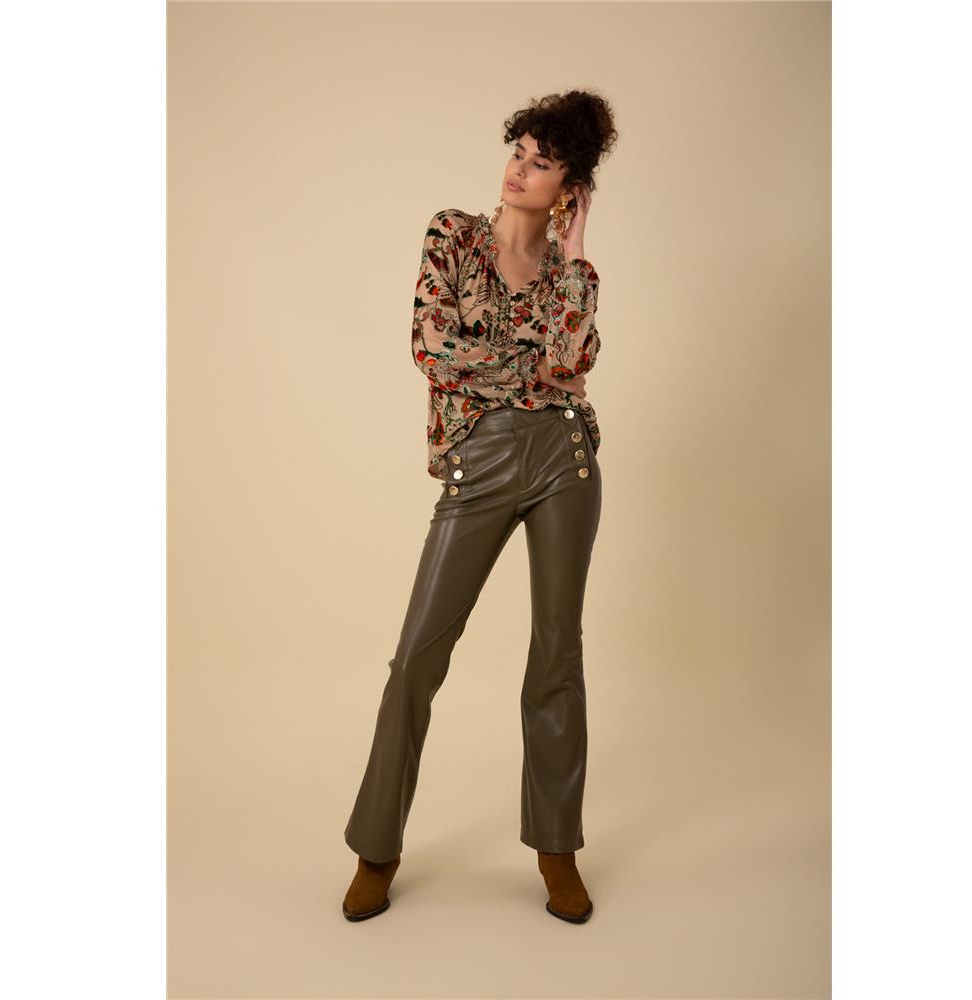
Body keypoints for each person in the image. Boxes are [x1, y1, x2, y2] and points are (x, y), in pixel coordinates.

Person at [342, 89, 619, 923]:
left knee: (557, 655)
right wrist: (537, 373)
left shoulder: (571, 274)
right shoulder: (454, 236)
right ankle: (377, 847)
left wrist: (576, 253)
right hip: (484, 458)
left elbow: (579, 357)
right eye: (518, 152)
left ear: (569, 186)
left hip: (566, 460)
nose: (518, 170)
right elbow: (434, 347)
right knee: (416, 658)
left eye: (542, 163)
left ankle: (558, 850)